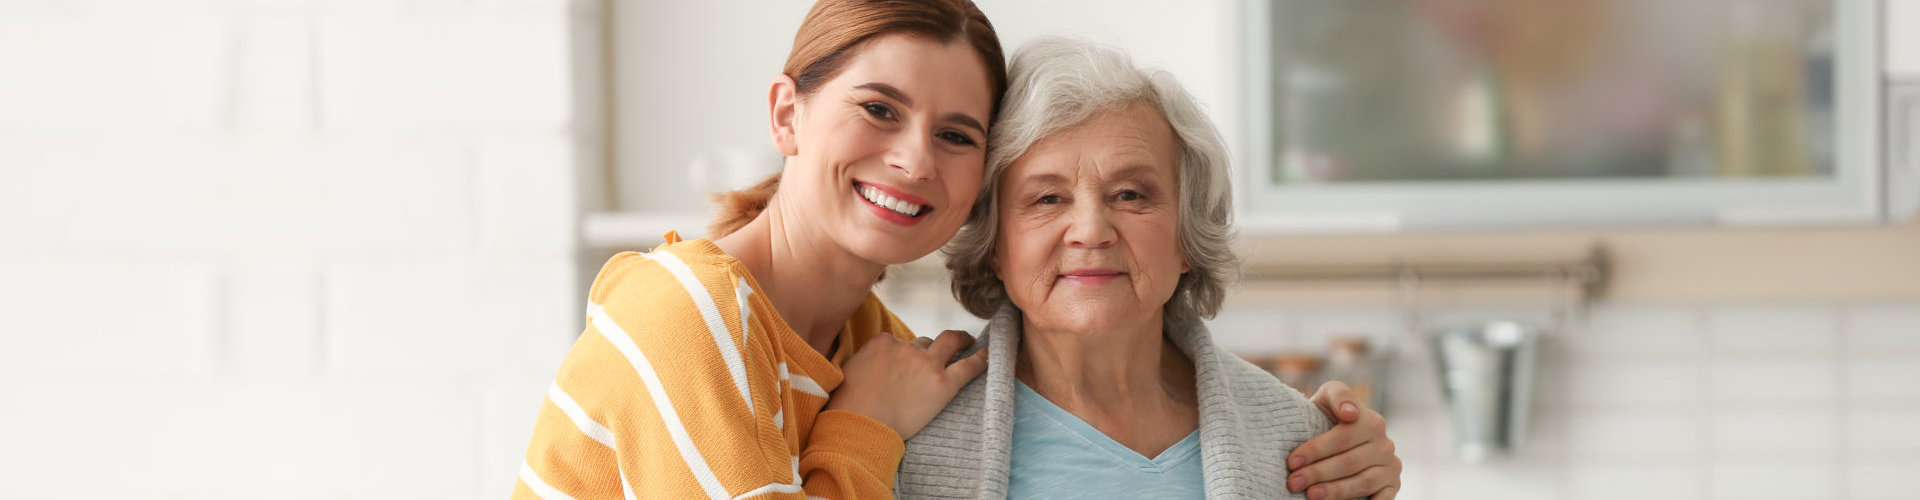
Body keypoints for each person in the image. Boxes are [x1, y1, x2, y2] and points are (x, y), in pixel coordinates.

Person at [516, 2, 1398, 499]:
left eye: (954, 132)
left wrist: (1336, 441)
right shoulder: (691, 316)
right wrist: (864, 430)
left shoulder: (873, 353)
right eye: (878, 109)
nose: (911, 159)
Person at [896, 37, 1402, 499]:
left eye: (1131, 194)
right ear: (995, 246)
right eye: (1048, 198)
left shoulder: (1307, 446)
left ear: (1187, 234)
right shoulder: (906, 431)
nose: (1091, 231)